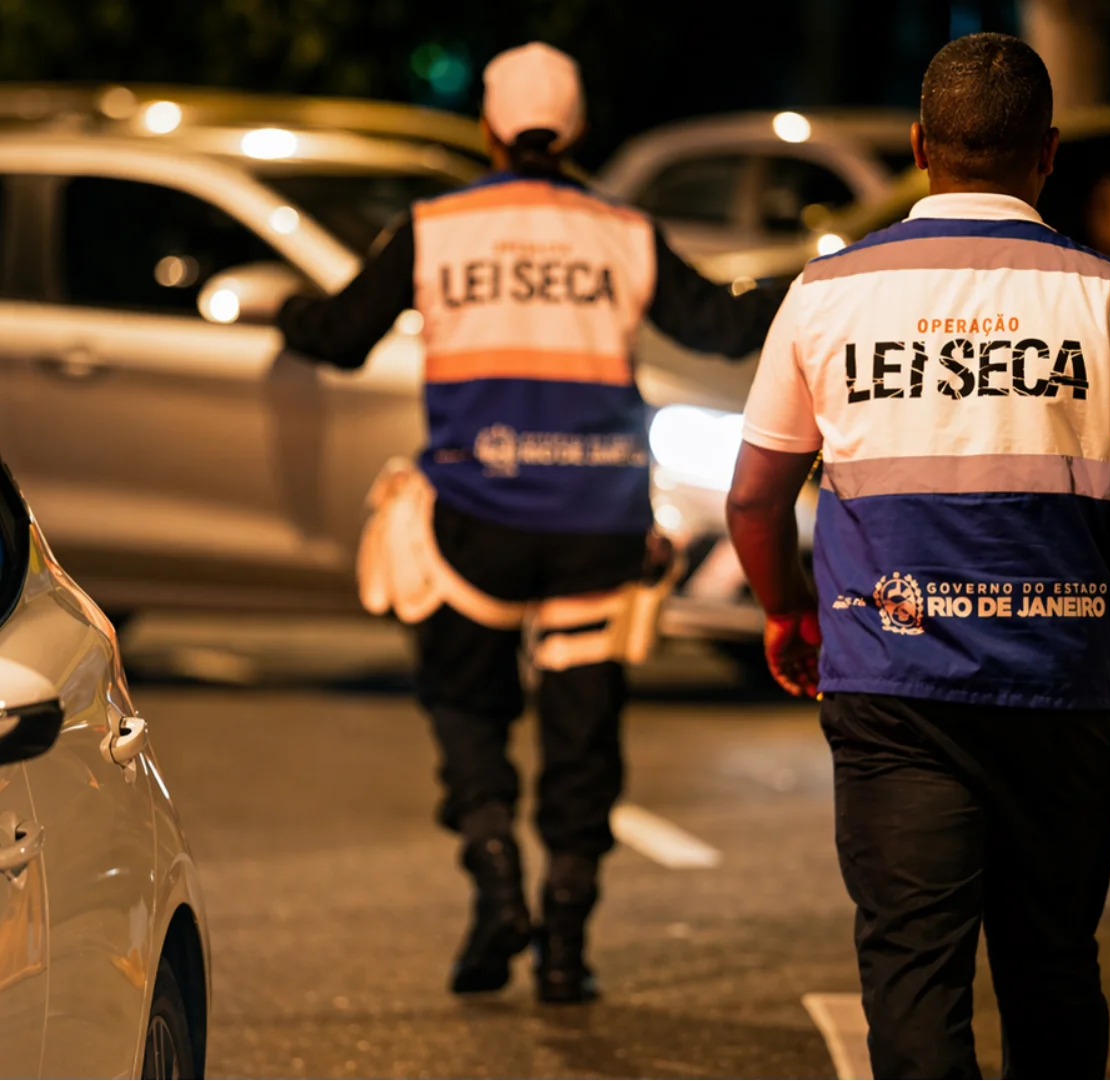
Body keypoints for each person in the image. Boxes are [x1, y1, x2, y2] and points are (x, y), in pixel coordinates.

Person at [724, 33, 1110, 1078]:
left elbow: (754, 494)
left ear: (920, 146)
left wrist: (786, 609)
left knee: (912, 975)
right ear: (1048, 152)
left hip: (890, 686)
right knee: (1052, 967)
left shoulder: (826, 292)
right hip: (1056, 692)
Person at [278, 42, 784, 1003]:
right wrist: (811, 285)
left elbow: (340, 340)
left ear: (489, 128)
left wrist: (288, 315)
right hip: (599, 520)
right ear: (578, 129)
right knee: (581, 728)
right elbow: (717, 326)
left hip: (477, 517)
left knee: (466, 700)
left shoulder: (435, 227)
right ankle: (565, 940)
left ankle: (494, 871)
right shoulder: (620, 230)